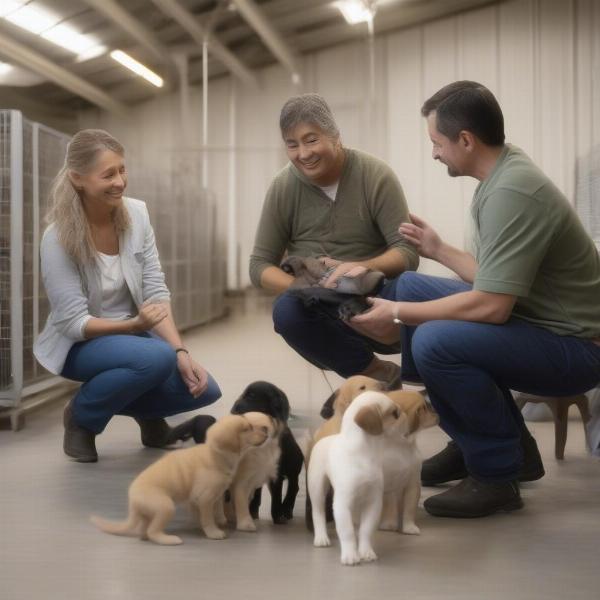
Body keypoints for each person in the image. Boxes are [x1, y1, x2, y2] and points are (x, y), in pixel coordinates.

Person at [352, 81, 600, 517]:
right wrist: (438, 250)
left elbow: (491, 305)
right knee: (410, 284)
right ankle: (475, 441)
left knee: (434, 340)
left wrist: (397, 314)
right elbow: (495, 280)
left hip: (577, 346)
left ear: (465, 140)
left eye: (437, 143)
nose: (434, 153)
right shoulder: (503, 173)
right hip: (540, 321)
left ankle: (495, 475)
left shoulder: (512, 192)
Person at [33, 129, 221, 463]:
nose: (120, 181)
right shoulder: (57, 237)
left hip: (138, 335)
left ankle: (150, 420)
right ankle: (82, 417)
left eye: (122, 170)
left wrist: (180, 350)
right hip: (81, 343)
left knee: (203, 389)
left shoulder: (136, 215)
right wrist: (134, 326)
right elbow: (74, 322)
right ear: (78, 179)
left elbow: (155, 289)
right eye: (108, 174)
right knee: (153, 358)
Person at [249, 93, 419, 384]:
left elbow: (407, 252)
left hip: (372, 292)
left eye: (311, 140)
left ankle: (431, 372)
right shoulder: (283, 187)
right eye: (292, 144)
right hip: (317, 307)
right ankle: (374, 372)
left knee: (415, 289)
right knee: (287, 310)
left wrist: (358, 267)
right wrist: (304, 288)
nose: (303, 153)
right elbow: (259, 266)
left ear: (335, 137)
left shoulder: (375, 175)